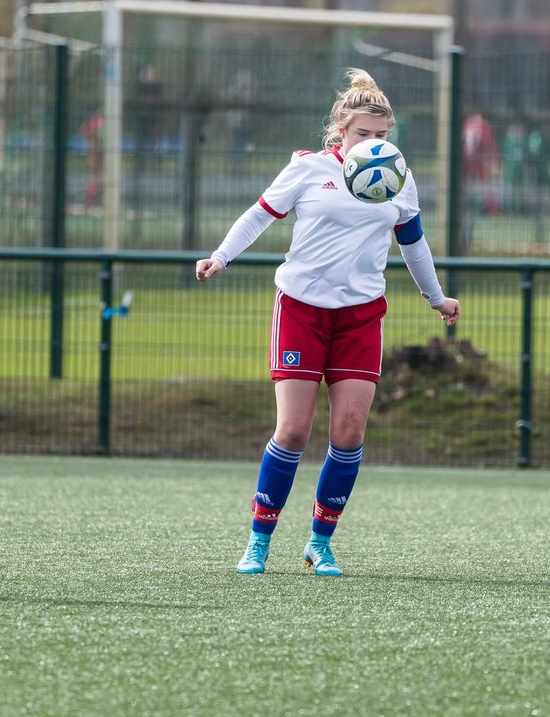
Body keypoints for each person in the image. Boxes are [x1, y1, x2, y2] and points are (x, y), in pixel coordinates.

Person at [195, 68, 460, 577]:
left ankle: (320, 541)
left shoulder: (397, 177)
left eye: (382, 136)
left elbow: (414, 242)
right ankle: (259, 541)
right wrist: (220, 257)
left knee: (349, 430)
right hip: (301, 309)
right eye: (364, 134)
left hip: (361, 316)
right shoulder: (307, 169)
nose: (374, 144)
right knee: (293, 429)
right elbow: (259, 214)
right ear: (341, 131)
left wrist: (436, 297)